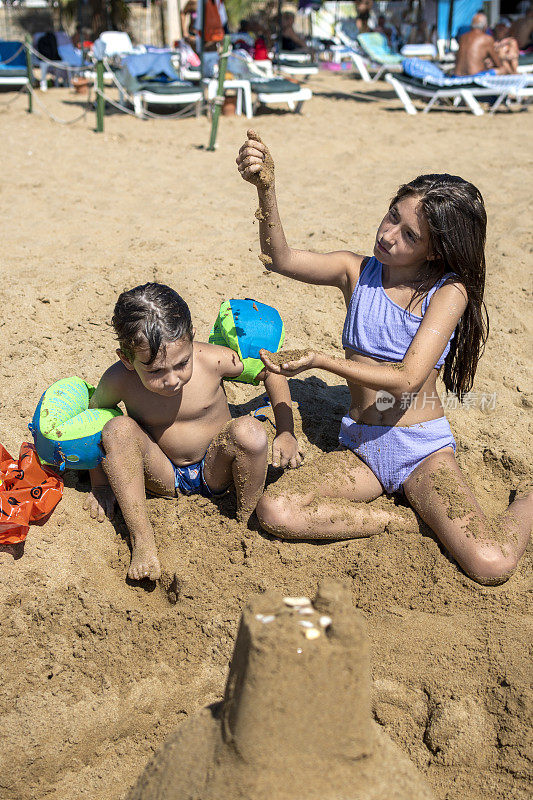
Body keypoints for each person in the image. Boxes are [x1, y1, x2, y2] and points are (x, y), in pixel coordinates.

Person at [235, 131, 532, 586]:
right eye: (392, 216)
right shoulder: (356, 271)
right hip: (362, 447)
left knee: (491, 563)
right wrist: (266, 188)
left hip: (421, 450)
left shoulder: (447, 291)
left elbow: (408, 378)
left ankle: (527, 501)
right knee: (277, 508)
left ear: (434, 249)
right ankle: (400, 523)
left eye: (408, 234)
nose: (387, 235)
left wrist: (321, 360)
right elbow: (280, 257)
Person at [84, 283, 302, 582]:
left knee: (249, 431)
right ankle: (143, 540)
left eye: (181, 363)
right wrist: (101, 484)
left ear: (192, 338)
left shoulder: (212, 360)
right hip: (161, 474)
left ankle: (246, 517)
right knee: (117, 428)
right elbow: (93, 422)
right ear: (127, 359)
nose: (172, 379)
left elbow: (270, 371)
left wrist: (286, 431)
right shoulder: (119, 379)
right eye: (156, 372)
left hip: (218, 469)